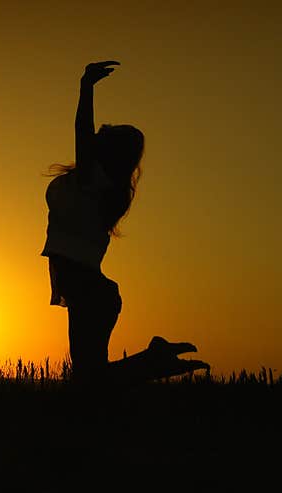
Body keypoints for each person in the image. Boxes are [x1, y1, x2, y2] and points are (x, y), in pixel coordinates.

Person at [41, 61, 208, 385]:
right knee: (90, 379)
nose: (101, 131)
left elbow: (82, 132)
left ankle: (154, 361)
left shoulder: (94, 181)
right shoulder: (98, 184)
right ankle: (154, 359)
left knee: (89, 379)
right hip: (86, 286)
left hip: (86, 286)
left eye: (108, 133)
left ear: (108, 150)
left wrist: (86, 87)